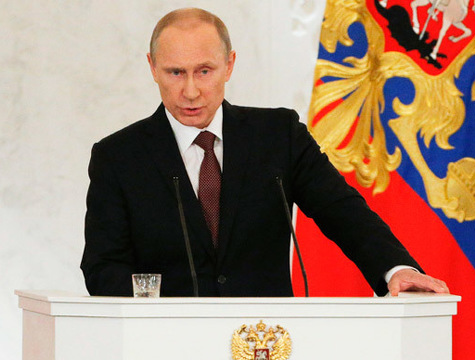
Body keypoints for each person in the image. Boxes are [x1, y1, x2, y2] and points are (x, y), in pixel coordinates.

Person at [80, 8, 449, 297]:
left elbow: (342, 211)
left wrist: (397, 270)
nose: (190, 91)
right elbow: (102, 267)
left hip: (265, 341)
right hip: (165, 344)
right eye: (176, 73)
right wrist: (162, 306)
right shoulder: (118, 157)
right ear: (152, 68)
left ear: (229, 65)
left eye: (204, 71)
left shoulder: (278, 136)